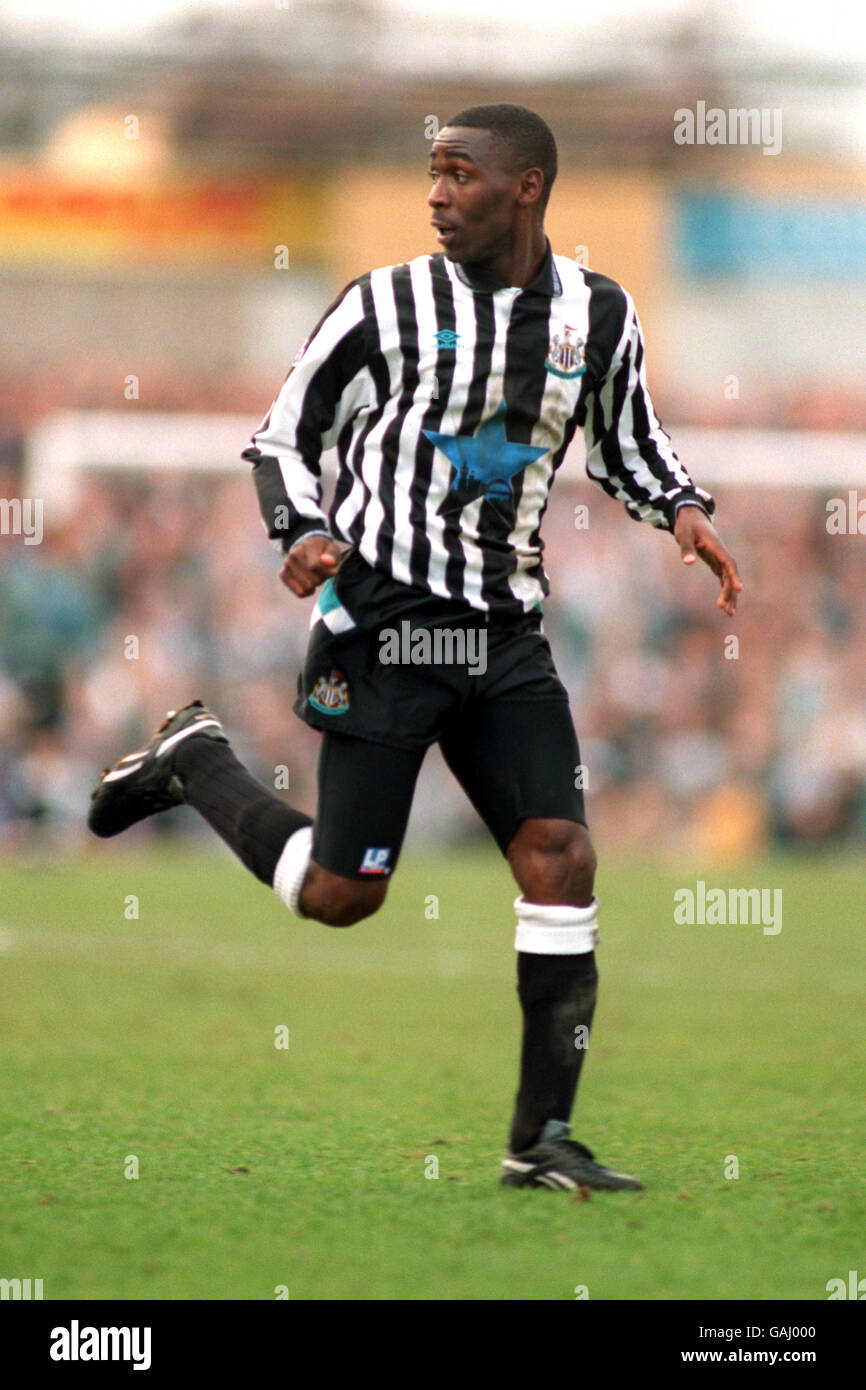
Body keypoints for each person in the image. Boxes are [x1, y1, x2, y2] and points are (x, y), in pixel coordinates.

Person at [88, 104, 742, 1192]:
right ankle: (196, 762)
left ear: (525, 187)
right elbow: (282, 435)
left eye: (458, 174)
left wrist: (679, 508)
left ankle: (538, 1143)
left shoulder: (598, 312)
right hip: (384, 624)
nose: (435, 194)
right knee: (344, 895)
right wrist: (298, 530)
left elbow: (627, 435)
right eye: (429, 175)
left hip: (501, 632)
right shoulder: (381, 304)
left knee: (559, 856)